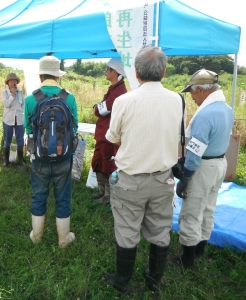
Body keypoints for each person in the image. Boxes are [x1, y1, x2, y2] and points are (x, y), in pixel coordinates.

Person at [104, 45, 183, 292]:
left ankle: (122, 283)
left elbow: (113, 137)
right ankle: (153, 282)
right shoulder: (177, 100)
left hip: (131, 180)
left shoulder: (124, 101)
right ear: (164, 72)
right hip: (164, 179)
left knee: (127, 231)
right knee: (160, 232)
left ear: (136, 73)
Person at [169, 69, 234, 269]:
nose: (193, 98)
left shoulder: (205, 115)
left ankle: (186, 260)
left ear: (200, 89)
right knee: (208, 208)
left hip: (203, 166)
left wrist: (185, 179)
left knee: (191, 211)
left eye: (193, 93)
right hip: (220, 163)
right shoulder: (227, 109)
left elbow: (196, 153)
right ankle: (199, 249)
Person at [24, 55, 78, 248]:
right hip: (64, 157)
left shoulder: (31, 98)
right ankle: (64, 239)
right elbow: (75, 128)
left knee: (39, 194)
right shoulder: (69, 98)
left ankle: (36, 236)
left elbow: (28, 130)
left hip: (39, 158)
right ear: (57, 77)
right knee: (63, 196)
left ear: (41, 76)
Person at [91, 58, 127, 205]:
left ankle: (108, 197)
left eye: (108, 68)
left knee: (107, 166)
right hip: (103, 134)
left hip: (109, 135)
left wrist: (97, 107)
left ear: (115, 71)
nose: (106, 71)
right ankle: (102, 192)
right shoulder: (114, 89)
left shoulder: (119, 91)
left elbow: (100, 110)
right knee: (98, 163)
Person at [1, 73, 25, 166]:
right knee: (7, 140)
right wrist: (12, 94)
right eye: (11, 80)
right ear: (8, 82)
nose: (13, 82)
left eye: (15, 80)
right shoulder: (4, 93)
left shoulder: (21, 93)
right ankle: (6, 161)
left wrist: (21, 110)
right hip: (8, 119)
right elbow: (6, 104)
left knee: (20, 140)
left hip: (19, 119)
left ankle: (20, 160)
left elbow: (23, 104)